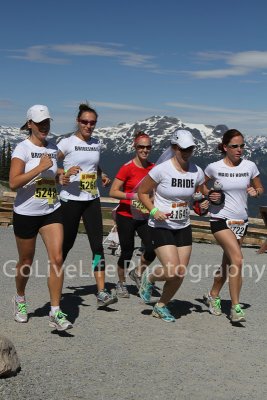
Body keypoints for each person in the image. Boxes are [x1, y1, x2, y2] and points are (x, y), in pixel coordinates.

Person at [10, 104, 72, 331]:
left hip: (50, 209)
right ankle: (19, 297)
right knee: (26, 262)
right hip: (26, 212)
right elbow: (14, 182)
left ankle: (55, 310)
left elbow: (51, 175)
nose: (44, 126)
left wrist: (60, 177)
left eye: (47, 122)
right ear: (29, 124)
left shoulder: (53, 147)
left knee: (57, 258)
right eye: (39, 123)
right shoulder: (22, 149)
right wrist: (39, 167)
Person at [138, 130, 207, 322]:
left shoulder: (197, 171)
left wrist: (203, 203)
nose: (187, 152)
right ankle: (149, 278)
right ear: (174, 148)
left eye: (190, 148)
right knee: (172, 270)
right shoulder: (162, 170)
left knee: (180, 273)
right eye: (183, 149)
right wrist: (153, 211)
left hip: (183, 225)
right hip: (161, 225)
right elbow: (142, 193)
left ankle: (161, 305)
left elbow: (201, 195)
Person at [57, 103, 117, 307]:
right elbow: (48, 164)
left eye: (92, 123)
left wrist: (102, 174)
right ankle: (55, 281)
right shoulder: (66, 143)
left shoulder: (96, 143)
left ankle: (101, 291)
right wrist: (62, 176)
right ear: (78, 121)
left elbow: (92, 163)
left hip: (91, 198)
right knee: (66, 245)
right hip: (70, 200)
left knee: (97, 245)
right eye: (85, 122)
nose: (88, 126)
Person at [202, 129, 264, 323]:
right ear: (225, 147)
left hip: (241, 222)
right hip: (220, 219)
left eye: (242, 146)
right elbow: (200, 185)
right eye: (235, 146)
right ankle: (236, 308)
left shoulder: (250, 166)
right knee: (237, 259)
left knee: (228, 263)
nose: (239, 150)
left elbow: (260, 188)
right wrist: (209, 193)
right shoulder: (214, 167)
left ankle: (213, 294)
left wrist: (256, 192)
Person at [109, 131, 156, 298]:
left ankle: (137, 272)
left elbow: (155, 190)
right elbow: (113, 191)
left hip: (143, 216)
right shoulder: (127, 167)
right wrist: (132, 196)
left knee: (152, 248)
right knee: (127, 251)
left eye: (148, 147)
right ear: (135, 147)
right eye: (141, 147)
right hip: (126, 214)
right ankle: (121, 283)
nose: (144, 150)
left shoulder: (153, 168)